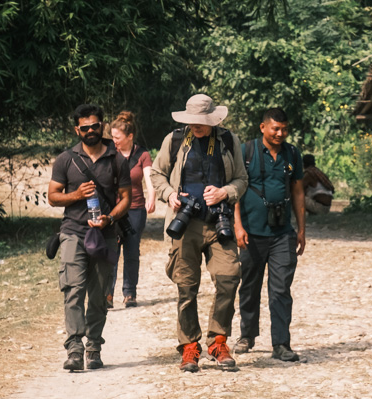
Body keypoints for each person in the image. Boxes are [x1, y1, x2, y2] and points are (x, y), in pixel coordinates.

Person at [148, 92, 249, 373]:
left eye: (201, 121)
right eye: (192, 121)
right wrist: (169, 195)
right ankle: (189, 346)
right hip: (186, 223)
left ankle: (218, 341)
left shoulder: (229, 141)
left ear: (213, 120)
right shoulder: (176, 140)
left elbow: (242, 179)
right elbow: (156, 173)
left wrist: (225, 192)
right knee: (186, 286)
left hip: (219, 223)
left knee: (229, 277)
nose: (197, 126)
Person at [46, 103, 131, 372]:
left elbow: (126, 198)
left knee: (98, 295)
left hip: (104, 234)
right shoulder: (65, 160)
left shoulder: (117, 159)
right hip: (72, 232)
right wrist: (76, 195)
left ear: (102, 126)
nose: (91, 130)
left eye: (96, 125)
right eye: (86, 127)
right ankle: (74, 347)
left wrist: (110, 218)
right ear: (77, 130)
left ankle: (93, 347)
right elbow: (52, 197)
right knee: (73, 290)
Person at [234, 107, 305, 362]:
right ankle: (247, 335)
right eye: (275, 128)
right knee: (249, 286)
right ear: (263, 127)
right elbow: (236, 190)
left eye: (284, 129)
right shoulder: (246, 151)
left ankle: (281, 343)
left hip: (283, 233)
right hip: (251, 233)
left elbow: (297, 192)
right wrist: (238, 226)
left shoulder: (292, 153)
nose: (280, 133)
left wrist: (301, 230)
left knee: (281, 289)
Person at [106, 111, 151, 308]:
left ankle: (129, 293)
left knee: (132, 251)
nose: (113, 141)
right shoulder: (109, 154)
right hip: (114, 208)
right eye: (112, 137)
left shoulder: (142, 154)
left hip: (135, 209)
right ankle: (107, 294)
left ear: (130, 136)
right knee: (112, 250)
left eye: (117, 137)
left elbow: (149, 178)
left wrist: (152, 196)